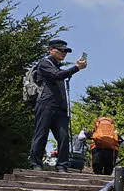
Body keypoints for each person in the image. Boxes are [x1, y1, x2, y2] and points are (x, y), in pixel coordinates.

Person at [29, 39, 87, 170]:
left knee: (64, 137)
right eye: (60, 50)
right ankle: (36, 164)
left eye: (65, 51)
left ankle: (62, 165)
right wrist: (76, 67)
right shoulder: (44, 63)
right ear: (51, 50)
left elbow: (60, 74)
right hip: (46, 104)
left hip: (60, 108)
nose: (64, 53)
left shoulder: (56, 66)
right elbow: (57, 75)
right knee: (41, 134)